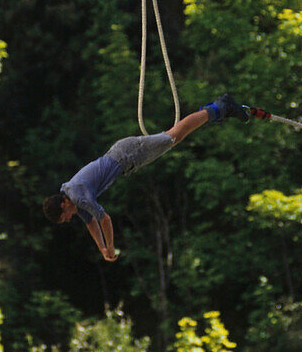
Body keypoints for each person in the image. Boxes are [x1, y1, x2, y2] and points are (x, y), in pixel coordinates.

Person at [42, 94, 250, 261]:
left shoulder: (77, 197)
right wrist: (102, 248)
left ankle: (219, 107)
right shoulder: (73, 197)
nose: (69, 219)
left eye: (65, 217)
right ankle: (214, 111)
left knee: (174, 135)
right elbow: (91, 223)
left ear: (63, 206)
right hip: (127, 159)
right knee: (175, 136)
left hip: (127, 154)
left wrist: (111, 246)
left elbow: (104, 219)